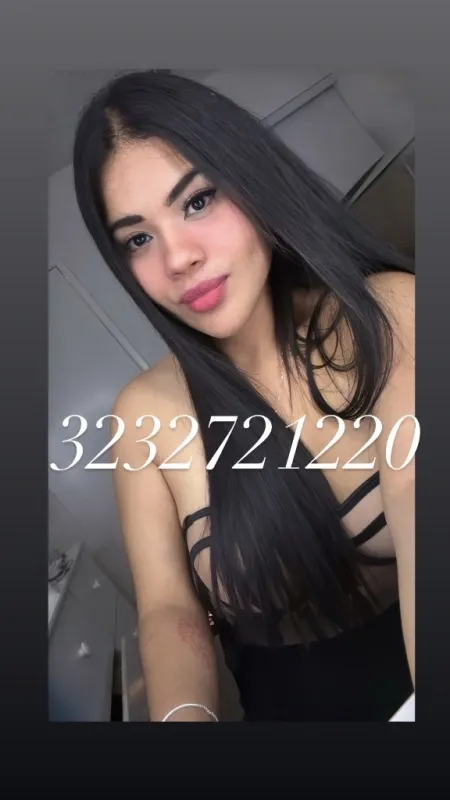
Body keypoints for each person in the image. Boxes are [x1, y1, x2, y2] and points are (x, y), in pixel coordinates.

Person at [72, 70, 415, 721]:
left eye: (198, 200)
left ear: (252, 181)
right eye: (138, 239)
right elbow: (168, 610)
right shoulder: (142, 416)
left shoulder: (388, 315)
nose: (177, 257)